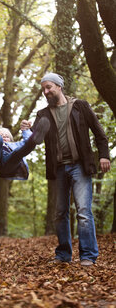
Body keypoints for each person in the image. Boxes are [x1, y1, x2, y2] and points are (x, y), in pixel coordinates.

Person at [21, 72, 111, 266]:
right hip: (59, 169)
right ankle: (63, 255)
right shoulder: (43, 115)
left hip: (80, 166)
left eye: (49, 87)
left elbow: (99, 133)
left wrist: (104, 155)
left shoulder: (80, 106)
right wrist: (27, 128)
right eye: (43, 89)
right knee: (60, 213)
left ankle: (88, 255)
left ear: (59, 86)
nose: (45, 92)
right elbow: (34, 141)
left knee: (84, 211)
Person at [0, 116, 50, 188]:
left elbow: (26, 141)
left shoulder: (15, 145)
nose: (4, 136)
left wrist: (25, 130)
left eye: (7, 136)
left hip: (10, 162)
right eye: (1, 135)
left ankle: (34, 139)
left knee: (21, 150)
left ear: (11, 140)